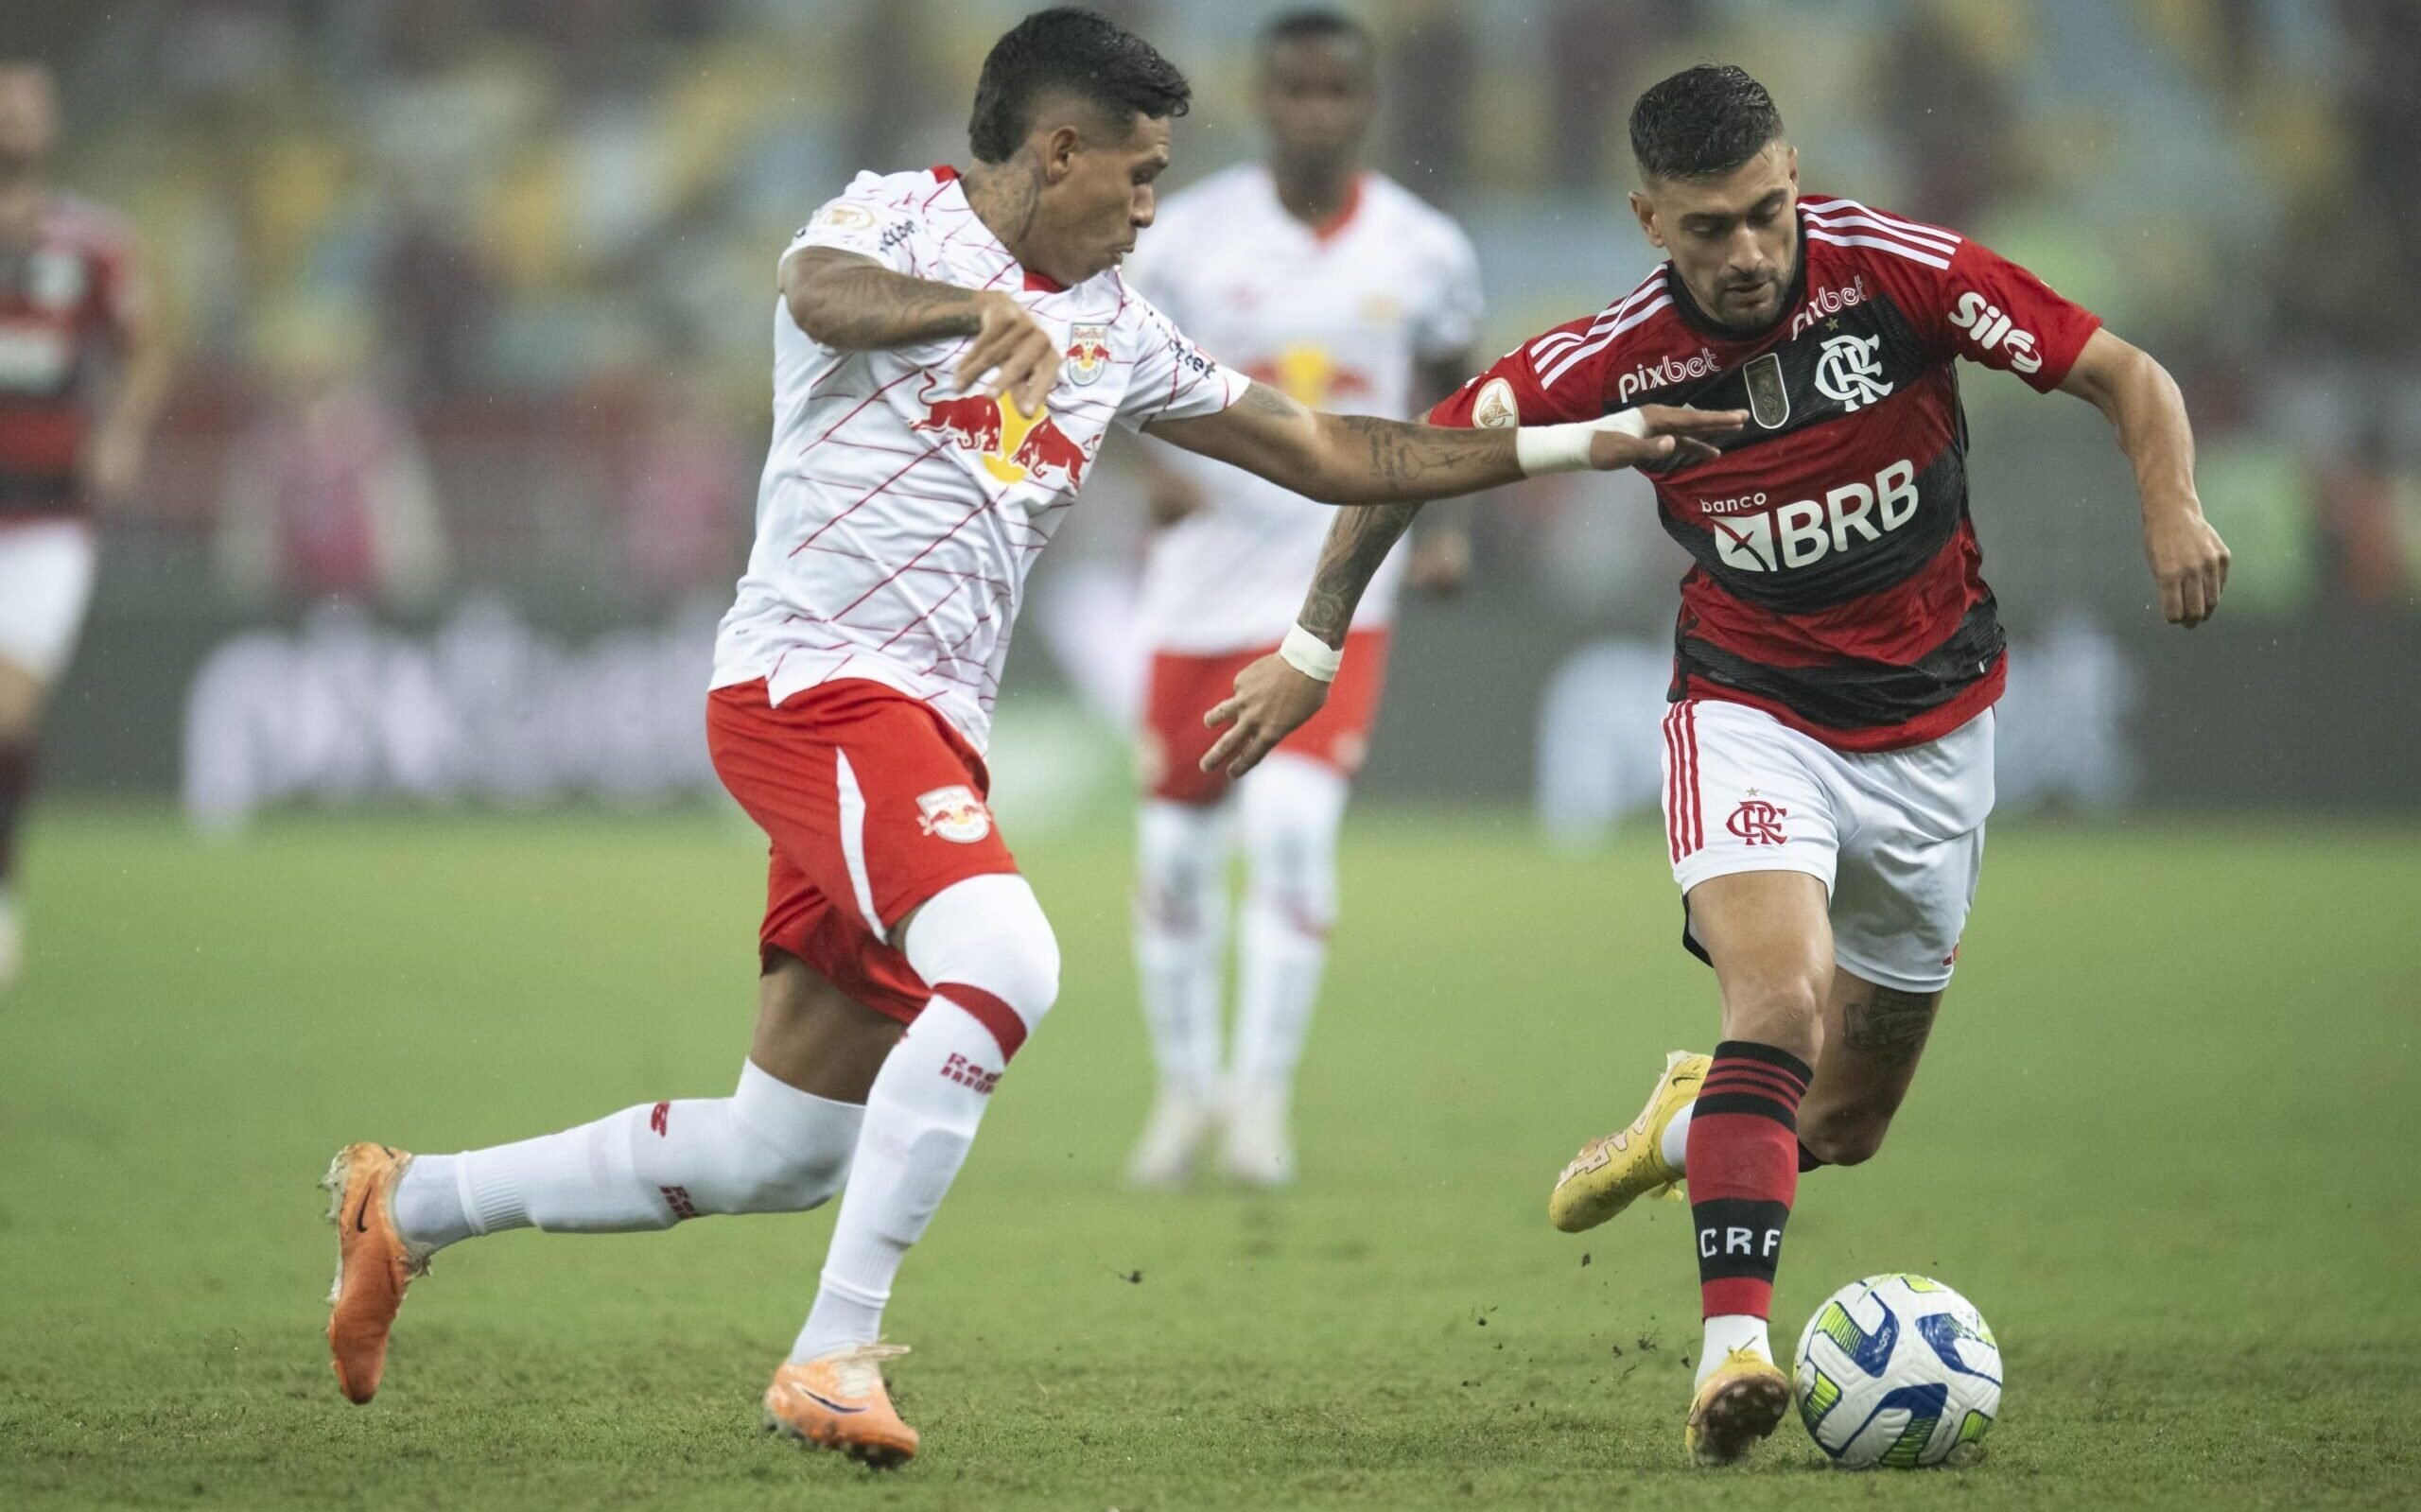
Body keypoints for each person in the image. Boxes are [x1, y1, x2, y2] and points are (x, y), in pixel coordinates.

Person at [320, 9, 1740, 1469]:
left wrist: (1574, 443)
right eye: (1137, 174)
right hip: (814, 688)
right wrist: (963, 313)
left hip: (928, 730)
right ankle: (831, 1354)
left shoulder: (1120, 327)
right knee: (1009, 958)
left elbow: (1330, 453)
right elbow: (815, 291)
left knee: (782, 1146)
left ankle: (408, 1204)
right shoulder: (895, 220)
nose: (1150, 204)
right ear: (1055, 148)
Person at [1198, 64, 2228, 1467]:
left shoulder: (1897, 273)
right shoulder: (1611, 357)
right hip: (1752, 708)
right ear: (1647, 221)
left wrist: (2169, 502)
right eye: (1707, 230)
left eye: (1765, 213)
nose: (1746, 254)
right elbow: (1411, 457)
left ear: (1795, 177)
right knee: (1782, 1001)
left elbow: (2124, 370)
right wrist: (1312, 650)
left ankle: (1697, 1120)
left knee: (1849, 1120)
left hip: (1938, 726)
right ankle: (1731, 1346)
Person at [1118, 9, 1483, 1189]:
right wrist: (1159, 474)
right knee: (1174, 856)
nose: (1315, 112)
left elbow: (1454, 401)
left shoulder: (1424, 251)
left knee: (1288, 834)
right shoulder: (1180, 237)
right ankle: (1185, 1092)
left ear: (1364, 105)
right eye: (1295, 91)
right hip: (1194, 595)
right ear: (1262, 99)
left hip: (1335, 593)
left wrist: (1444, 530)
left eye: (1336, 92)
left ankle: (1259, 1105)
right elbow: (1099, 369)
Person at [0, 61, 171, 993]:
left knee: (8, 713)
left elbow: (144, 355)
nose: (16, 117)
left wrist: (121, 431)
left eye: (29, 102)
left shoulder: (94, 244)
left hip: (44, 517)